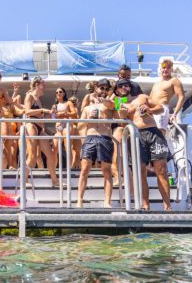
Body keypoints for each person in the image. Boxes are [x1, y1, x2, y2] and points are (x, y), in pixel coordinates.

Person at [123, 93, 171, 211]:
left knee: (162, 170)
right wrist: (123, 112)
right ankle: (145, 205)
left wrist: (150, 109)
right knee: (140, 172)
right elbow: (121, 120)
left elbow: (160, 108)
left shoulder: (142, 97)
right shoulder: (119, 101)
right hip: (136, 134)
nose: (123, 87)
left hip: (153, 132)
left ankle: (168, 206)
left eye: (126, 84)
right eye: (120, 85)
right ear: (116, 89)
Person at [77, 79, 117, 208]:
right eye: (102, 88)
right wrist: (88, 120)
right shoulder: (88, 108)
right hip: (90, 138)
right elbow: (80, 125)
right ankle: (79, 201)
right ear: (97, 89)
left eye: (106, 89)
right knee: (84, 169)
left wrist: (104, 101)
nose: (104, 91)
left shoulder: (111, 103)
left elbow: (113, 105)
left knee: (106, 170)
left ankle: (107, 202)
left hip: (105, 137)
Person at [23, 76, 59, 187]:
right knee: (32, 155)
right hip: (31, 125)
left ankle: (55, 180)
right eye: (43, 85)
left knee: (50, 154)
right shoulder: (29, 96)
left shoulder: (38, 99)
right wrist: (43, 110)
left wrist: (49, 115)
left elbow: (39, 116)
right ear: (37, 85)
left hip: (39, 127)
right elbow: (27, 112)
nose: (45, 88)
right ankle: (24, 180)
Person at [149, 57, 185, 133]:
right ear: (161, 69)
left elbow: (181, 97)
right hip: (152, 111)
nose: (165, 69)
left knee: (160, 134)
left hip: (162, 110)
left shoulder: (174, 80)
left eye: (168, 68)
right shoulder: (156, 83)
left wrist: (174, 114)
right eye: (163, 67)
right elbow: (149, 98)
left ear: (171, 70)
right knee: (151, 134)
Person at [52, 86, 78, 169]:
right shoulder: (54, 106)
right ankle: (54, 168)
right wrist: (55, 115)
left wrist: (64, 114)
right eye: (57, 92)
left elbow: (74, 113)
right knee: (54, 149)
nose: (58, 93)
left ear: (64, 93)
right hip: (58, 128)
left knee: (68, 147)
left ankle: (69, 168)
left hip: (67, 126)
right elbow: (53, 118)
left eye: (60, 92)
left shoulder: (68, 103)